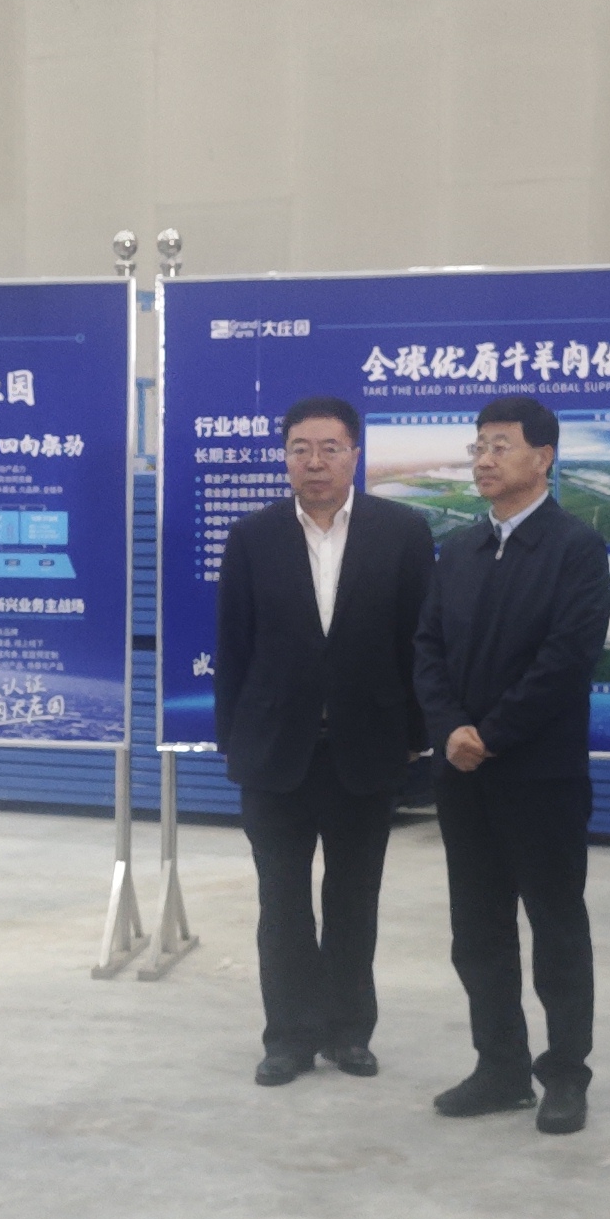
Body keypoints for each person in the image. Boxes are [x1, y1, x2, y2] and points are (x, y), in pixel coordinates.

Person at [212, 396, 435, 1086]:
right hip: (275, 754)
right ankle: (288, 1038)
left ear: (354, 455)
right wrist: (233, 742)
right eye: (300, 449)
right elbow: (233, 647)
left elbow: (419, 642)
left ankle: (349, 1032)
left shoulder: (402, 532)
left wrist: (416, 737)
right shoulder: (252, 537)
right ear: (285, 458)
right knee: (281, 903)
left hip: (366, 751)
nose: (315, 462)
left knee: (353, 900)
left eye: (330, 448)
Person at [413, 394, 610, 1133]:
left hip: (540, 776)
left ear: (543, 457)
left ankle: (565, 1074)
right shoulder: (462, 548)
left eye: (501, 445)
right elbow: (427, 649)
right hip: (463, 776)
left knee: (556, 927)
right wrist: (450, 729)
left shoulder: (574, 548)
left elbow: (566, 660)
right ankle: (498, 1067)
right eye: (479, 446)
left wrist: (490, 734)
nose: (484, 459)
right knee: (477, 930)